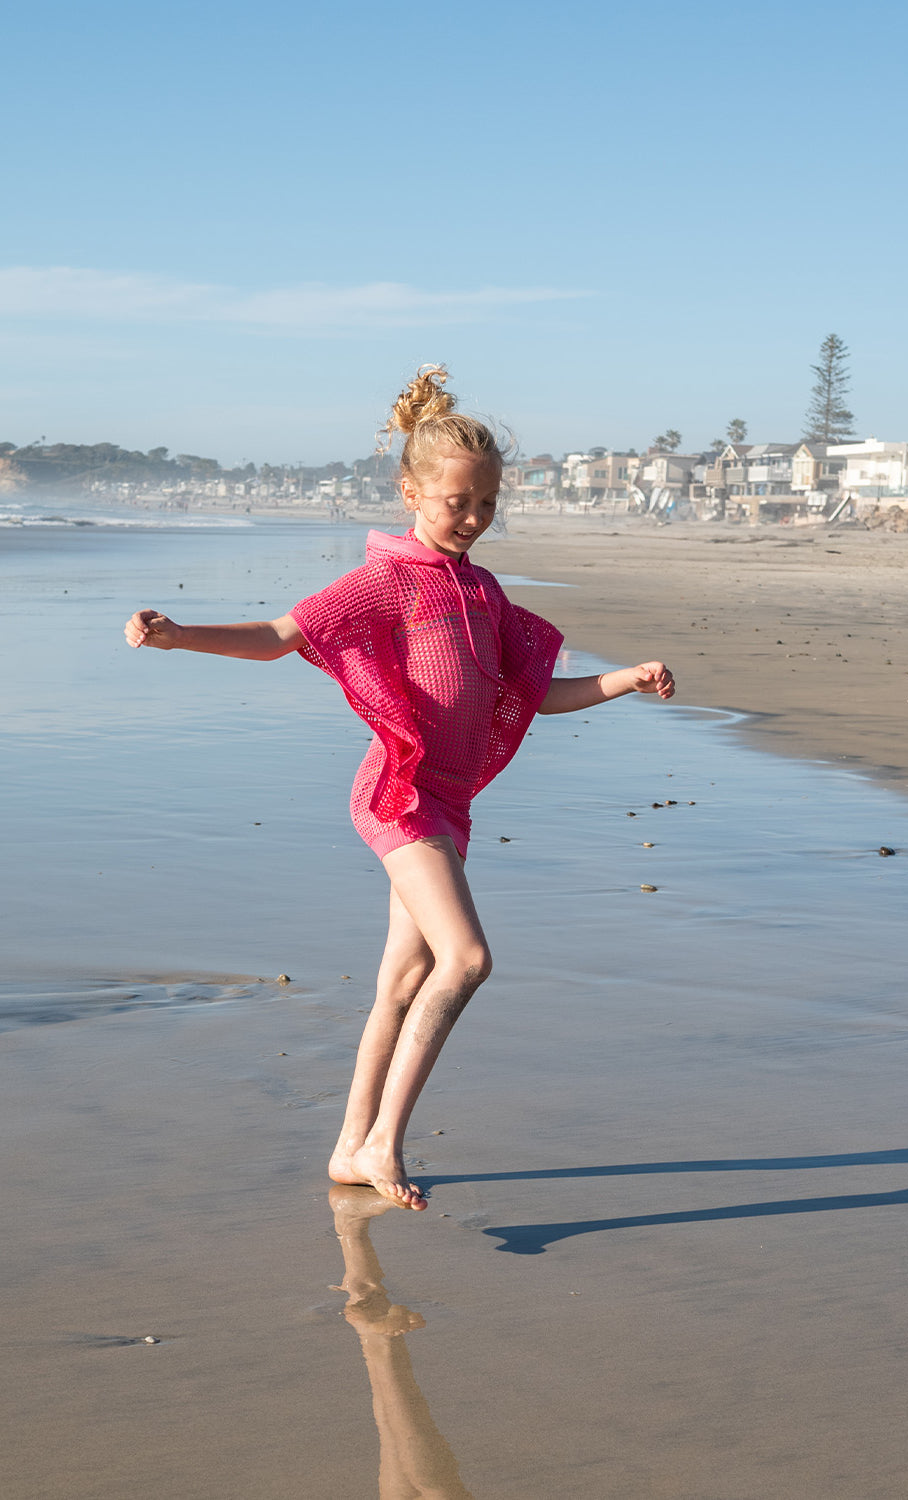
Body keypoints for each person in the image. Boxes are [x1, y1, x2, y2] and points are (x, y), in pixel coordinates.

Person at [124, 366, 675, 1210]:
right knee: (467, 958)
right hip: (400, 793)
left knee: (402, 981)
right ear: (409, 492)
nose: (472, 518)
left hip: (449, 803)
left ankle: (350, 1145)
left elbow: (539, 698)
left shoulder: (483, 592)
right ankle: (386, 1139)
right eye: (457, 502)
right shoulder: (389, 580)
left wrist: (626, 680)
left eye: (487, 503)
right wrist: (180, 637)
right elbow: (280, 634)